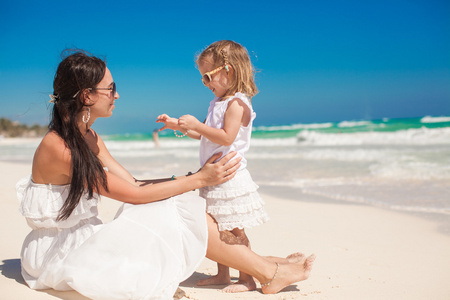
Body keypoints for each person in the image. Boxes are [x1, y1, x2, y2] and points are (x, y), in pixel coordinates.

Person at [17, 50, 315, 300]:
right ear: (87, 95)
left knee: (180, 201)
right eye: (110, 88)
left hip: (83, 237)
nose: (117, 94)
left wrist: (188, 180)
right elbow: (132, 195)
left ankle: (261, 265)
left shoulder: (90, 137)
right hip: (56, 254)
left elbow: (133, 182)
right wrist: (198, 180)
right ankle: (270, 271)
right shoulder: (59, 148)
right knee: (174, 208)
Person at [157, 40, 269, 293]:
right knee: (218, 227)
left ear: (228, 71)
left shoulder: (237, 103)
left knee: (234, 228)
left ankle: (247, 278)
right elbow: (206, 134)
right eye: (203, 80)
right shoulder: (217, 102)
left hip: (229, 175)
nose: (207, 84)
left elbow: (227, 137)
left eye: (208, 77)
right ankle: (222, 274)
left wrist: (197, 125)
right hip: (214, 175)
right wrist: (179, 125)